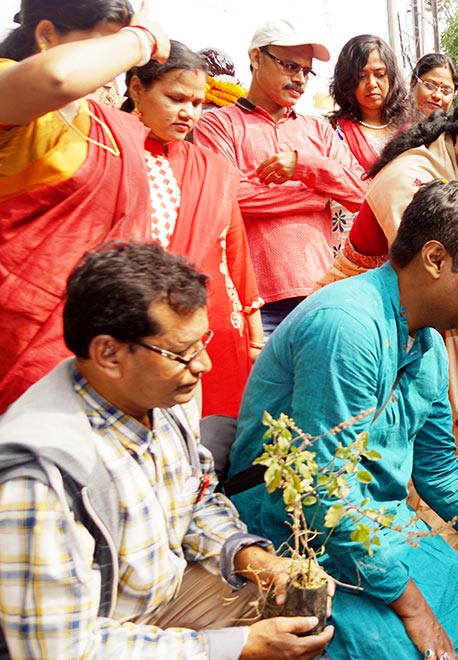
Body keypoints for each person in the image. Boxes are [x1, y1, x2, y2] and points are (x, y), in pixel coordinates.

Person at [229, 180, 458, 660]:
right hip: (291, 530)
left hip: (374, 520)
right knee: (404, 657)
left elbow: (439, 471)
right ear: (436, 259)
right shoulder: (348, 326)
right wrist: (413, 607)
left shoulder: (430, 347)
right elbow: (321, 495)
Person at [0, 241, 334, 660]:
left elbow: (196, 498)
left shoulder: (159, 397)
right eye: (183, 352)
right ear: (109, 353)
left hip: (161, 601)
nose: (205, 365)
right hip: (91, 641)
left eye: (203, 342)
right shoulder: (40, 472)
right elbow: (61, 656)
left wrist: (257, 561)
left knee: (300, 631)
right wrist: (232, 649)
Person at [317, 86, 458, 597]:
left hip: (416, 333)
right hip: (369, 339)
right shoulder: (409, 180)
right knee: (384, 461)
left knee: (439, 455)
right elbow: (438, 283)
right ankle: (412, 577)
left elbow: (438, 468)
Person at [0, 0, 170, 413]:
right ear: (46, 36)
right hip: (19, 340)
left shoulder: (106, 122)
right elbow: (59, 75)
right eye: (105, 45)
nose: (115, 63)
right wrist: (141, 39)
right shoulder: (10, 85)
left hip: (104, 346)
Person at [193, 19, 368, 334]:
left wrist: (305, 167)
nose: (300, 79)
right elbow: (228, 197)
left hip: (321, 290)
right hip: (254, 301)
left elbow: (361, 195)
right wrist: (317, 194)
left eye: (306, 71)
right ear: (257, 58)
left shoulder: (319, 131)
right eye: (290, 66)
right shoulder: (216, 125)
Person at [121, 40, 264, 417]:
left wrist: (254, 336)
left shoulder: (212, 168)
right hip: (144, 331)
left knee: (220, 446)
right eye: (177, 98)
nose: (189, 113)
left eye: (197, 104)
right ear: (137, 89)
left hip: (216, 331)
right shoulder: (113, 159)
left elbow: (236, 256)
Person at [325, 34, 410, 253]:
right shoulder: (332, 131)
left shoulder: (411, 131)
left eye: (380, 74)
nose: (372, 84)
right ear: (347, 82)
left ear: (391, 77)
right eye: (361, 76)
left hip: (402, 238)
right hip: (349, 241)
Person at [411, 52, 458, 116]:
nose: (437, 96)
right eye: (429, 85)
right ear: (413, 83)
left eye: (446, 91)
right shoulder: (394, 123)